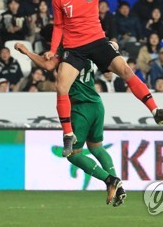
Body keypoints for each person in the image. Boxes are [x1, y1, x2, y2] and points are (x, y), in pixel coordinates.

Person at [46, 0, 163, 155]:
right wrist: (53, 50)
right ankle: (68, 135)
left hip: (96, 41)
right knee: (61, 86)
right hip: (74, 47)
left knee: (126, 71)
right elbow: (59, 26)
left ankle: (155, 110)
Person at [14, 29, 126, 206]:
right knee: (96, 148)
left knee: (74, 155)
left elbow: (47, 65)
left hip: (81, 109)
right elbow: (113, 45)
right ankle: (118, 185)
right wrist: (112, 45)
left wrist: (27, 52)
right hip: (97, 105)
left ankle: (109, 180)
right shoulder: (92, 51)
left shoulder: (68, 55)